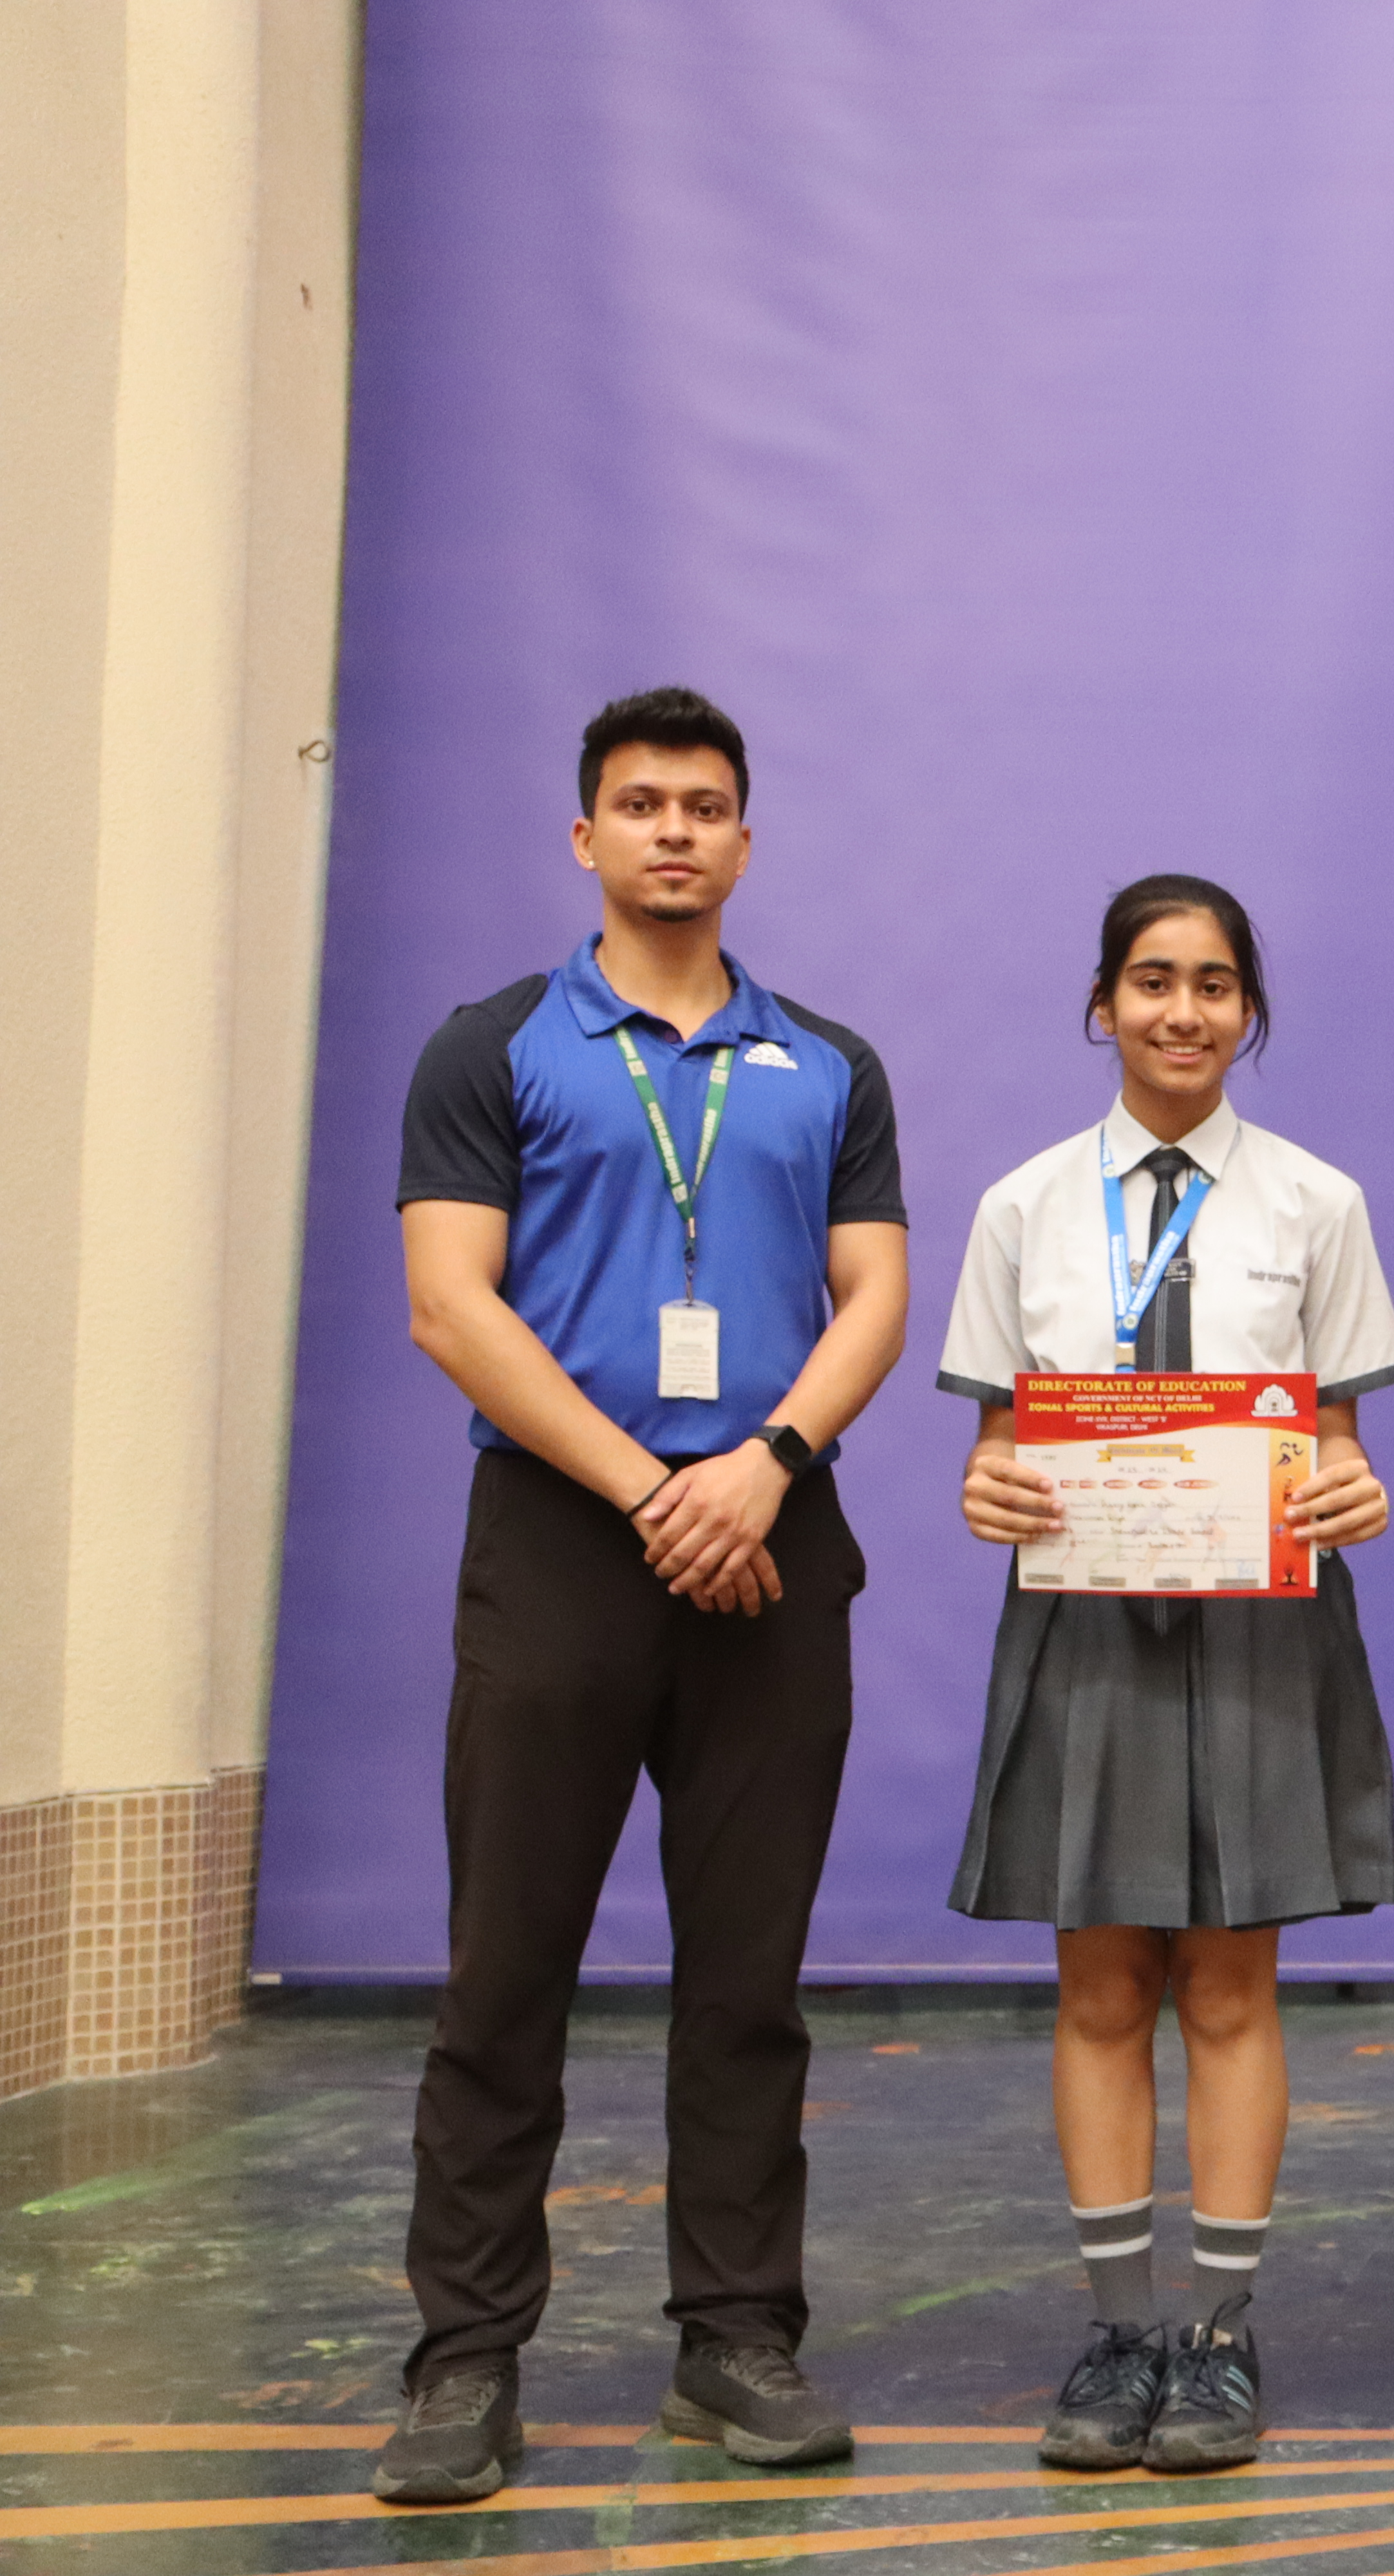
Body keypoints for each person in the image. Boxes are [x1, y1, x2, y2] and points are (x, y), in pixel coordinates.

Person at [377, 688, 910, 2503]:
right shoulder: (495, 1046)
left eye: (705, 806)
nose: (674, 830)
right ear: (584, 838)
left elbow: (874, 1302)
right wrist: (645, 1487)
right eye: (639, 803)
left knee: (746, 1983)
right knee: (502, 1971)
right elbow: (455, 1307)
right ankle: (462, 2366)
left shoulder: (825, 1062)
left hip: (774, 1539)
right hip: (561, 1540)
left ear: (745, 842)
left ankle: (737, 2341)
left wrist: (763, 1463)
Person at [937, 876, 1394, 2474]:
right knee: (1096, 1987)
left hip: (1259, 1624)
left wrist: (1358, 1491)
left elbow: (1340, 1446)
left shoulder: (1314, 1203)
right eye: (1153, 980)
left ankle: (1214, 2335)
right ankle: (1116, 2325)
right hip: (1085, 1621)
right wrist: (985, 1486)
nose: (1184, 1010)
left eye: (1216, 984)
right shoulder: (1021, 1207)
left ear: (1249, 1012)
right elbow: (999, 1445)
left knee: (1228, 1984)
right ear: (1102, 1005)